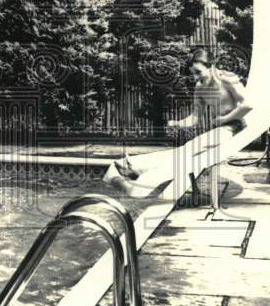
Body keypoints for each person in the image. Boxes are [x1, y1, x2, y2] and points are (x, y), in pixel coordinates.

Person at [106, 47, 252, 198]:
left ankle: (138, 168)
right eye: (193, 73)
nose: (195, 77)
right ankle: (137, 168)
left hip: (236, 128)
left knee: (191, 148)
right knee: (187, 150)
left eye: (198, 72)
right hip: (220, 131)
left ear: (211, 67)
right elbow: (194, 118)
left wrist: (224, 119)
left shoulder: (227, 79)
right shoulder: (200, 88)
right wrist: (178, 123)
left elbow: (248, 105)